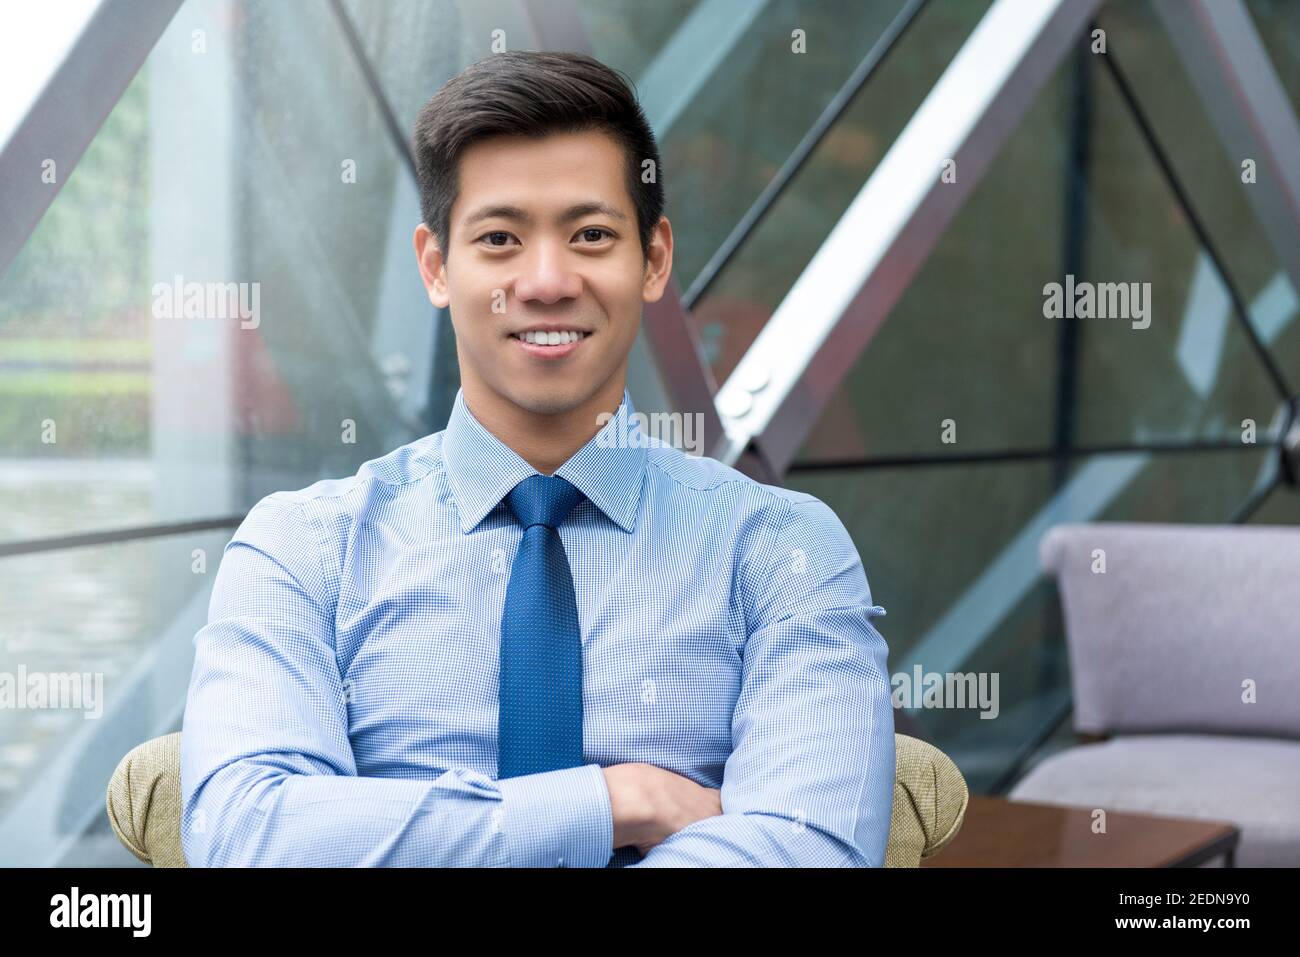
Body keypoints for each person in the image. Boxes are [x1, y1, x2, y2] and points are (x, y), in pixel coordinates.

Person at [180, 50, 894, 867]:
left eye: (591, 235)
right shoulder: (304, 549)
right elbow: (248, 837)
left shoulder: (781, 550)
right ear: (437, 266)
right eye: (499, 238)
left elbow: (812, 848)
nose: (548, 281)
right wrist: (608, 801)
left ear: (654, 259)